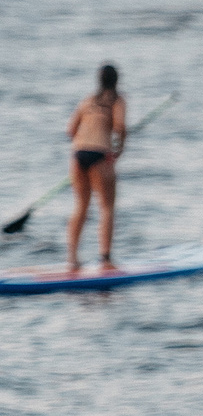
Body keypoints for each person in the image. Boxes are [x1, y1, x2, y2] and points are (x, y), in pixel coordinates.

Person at [65, 64, 126, 271]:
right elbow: (120, 127)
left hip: (78, 154)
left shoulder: (87, 100)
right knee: (106, 207)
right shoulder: (118, 100)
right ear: (116, 81)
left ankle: (72, 258)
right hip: (100, 154)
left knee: (81, 206)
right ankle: (105, 258)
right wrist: (119, 148)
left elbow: (70, 130)